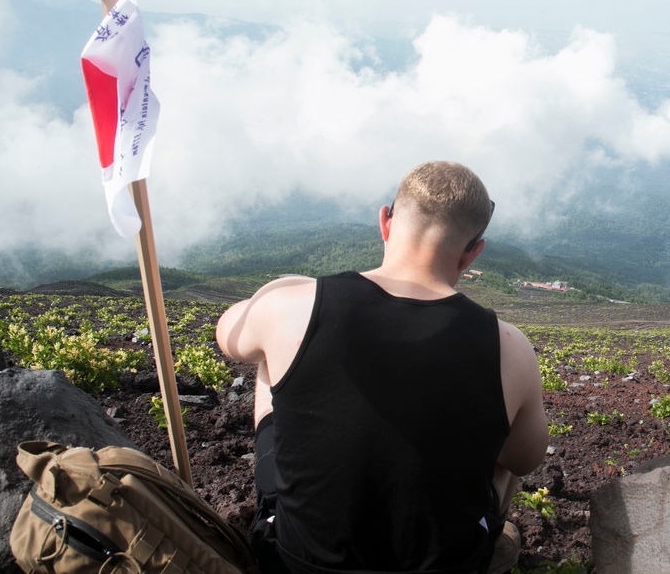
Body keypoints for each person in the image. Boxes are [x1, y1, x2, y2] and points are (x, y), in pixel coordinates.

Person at [216, 161, 549, 574]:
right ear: (472, 253)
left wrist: (287, 290)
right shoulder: (509, 346)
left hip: (296, 564)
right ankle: (486, 540)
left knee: (270, 359)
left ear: (385, 222)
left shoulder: (293, 308)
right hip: (448, 566)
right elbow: (526, 458)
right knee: (505, 443)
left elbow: (229, 335)